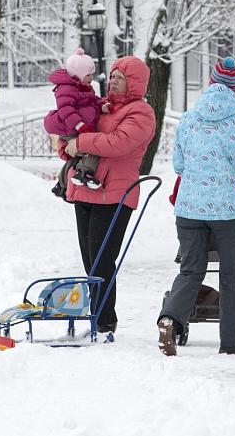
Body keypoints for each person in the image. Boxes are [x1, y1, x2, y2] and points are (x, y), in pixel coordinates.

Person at [158, 57, 235, 357]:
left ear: (211, 84)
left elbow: (178, 164)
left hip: (189, 209)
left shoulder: (189, 118)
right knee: (230, 275)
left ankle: (169, 319)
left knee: (191, 270)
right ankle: (229, 342)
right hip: (228, 212)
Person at [60, 56, 156, 335]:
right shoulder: (98, 107)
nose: (113, 80)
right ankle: (97, 316)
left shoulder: (141, 113)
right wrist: (67, 146)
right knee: (90, 260)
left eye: (120, 77)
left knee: (102, 259)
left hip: (114, 194)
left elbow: (118, 143)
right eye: (112, 75)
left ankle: (103, 321)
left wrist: (81, 142)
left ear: (134, 83)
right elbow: (72, 136)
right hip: (84, 189)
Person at [44, 48, 103, 189]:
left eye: (92, 74)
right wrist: (80, 126)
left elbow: (92, 101)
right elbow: (66, 111)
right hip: (72, 129)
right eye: (88, 75)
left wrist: (103, 106)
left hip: (77, 128)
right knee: (92, 148)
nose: (91, 78)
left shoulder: (83, 87)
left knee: (78, 154)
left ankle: (62, 183)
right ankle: (84, 173)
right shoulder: (66, 89)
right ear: (79, 74)